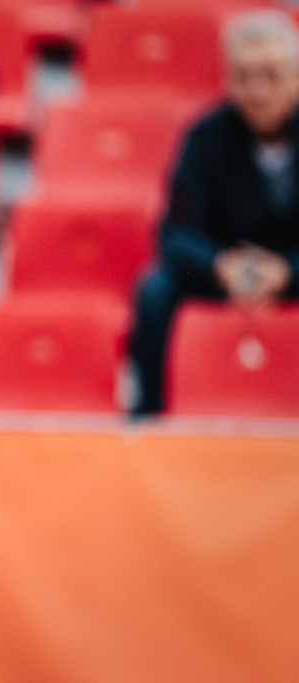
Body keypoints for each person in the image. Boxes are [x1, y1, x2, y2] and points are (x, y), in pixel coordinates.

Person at [129, 9, 299, 415]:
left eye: (271, 75)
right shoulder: (205, 136)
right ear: (228, 79)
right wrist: (220, 265)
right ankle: (152, 418)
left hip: (292, 269)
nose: (258, 91)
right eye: (244, 77)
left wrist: (289, 271)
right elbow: (176, 231)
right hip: (224, 272)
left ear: (295, 78)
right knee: (154, 293)